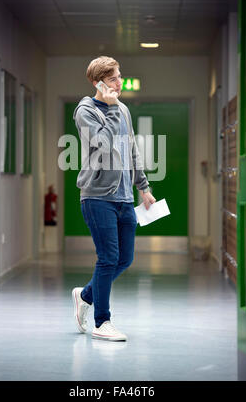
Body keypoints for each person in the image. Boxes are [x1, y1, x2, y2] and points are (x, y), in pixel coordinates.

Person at [72, 56, 156, 341]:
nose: (120, 83)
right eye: (113, 79)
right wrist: (109, 109)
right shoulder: (85, 110)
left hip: (123, 196)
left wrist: (143, 187)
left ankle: (85, 295)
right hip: (97, 197)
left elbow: (130, 149)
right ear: (99, 83)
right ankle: (101, 322)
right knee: (107, 257)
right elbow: (102, 144)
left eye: (120, 76)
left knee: (125, 258)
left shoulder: (122, 109)